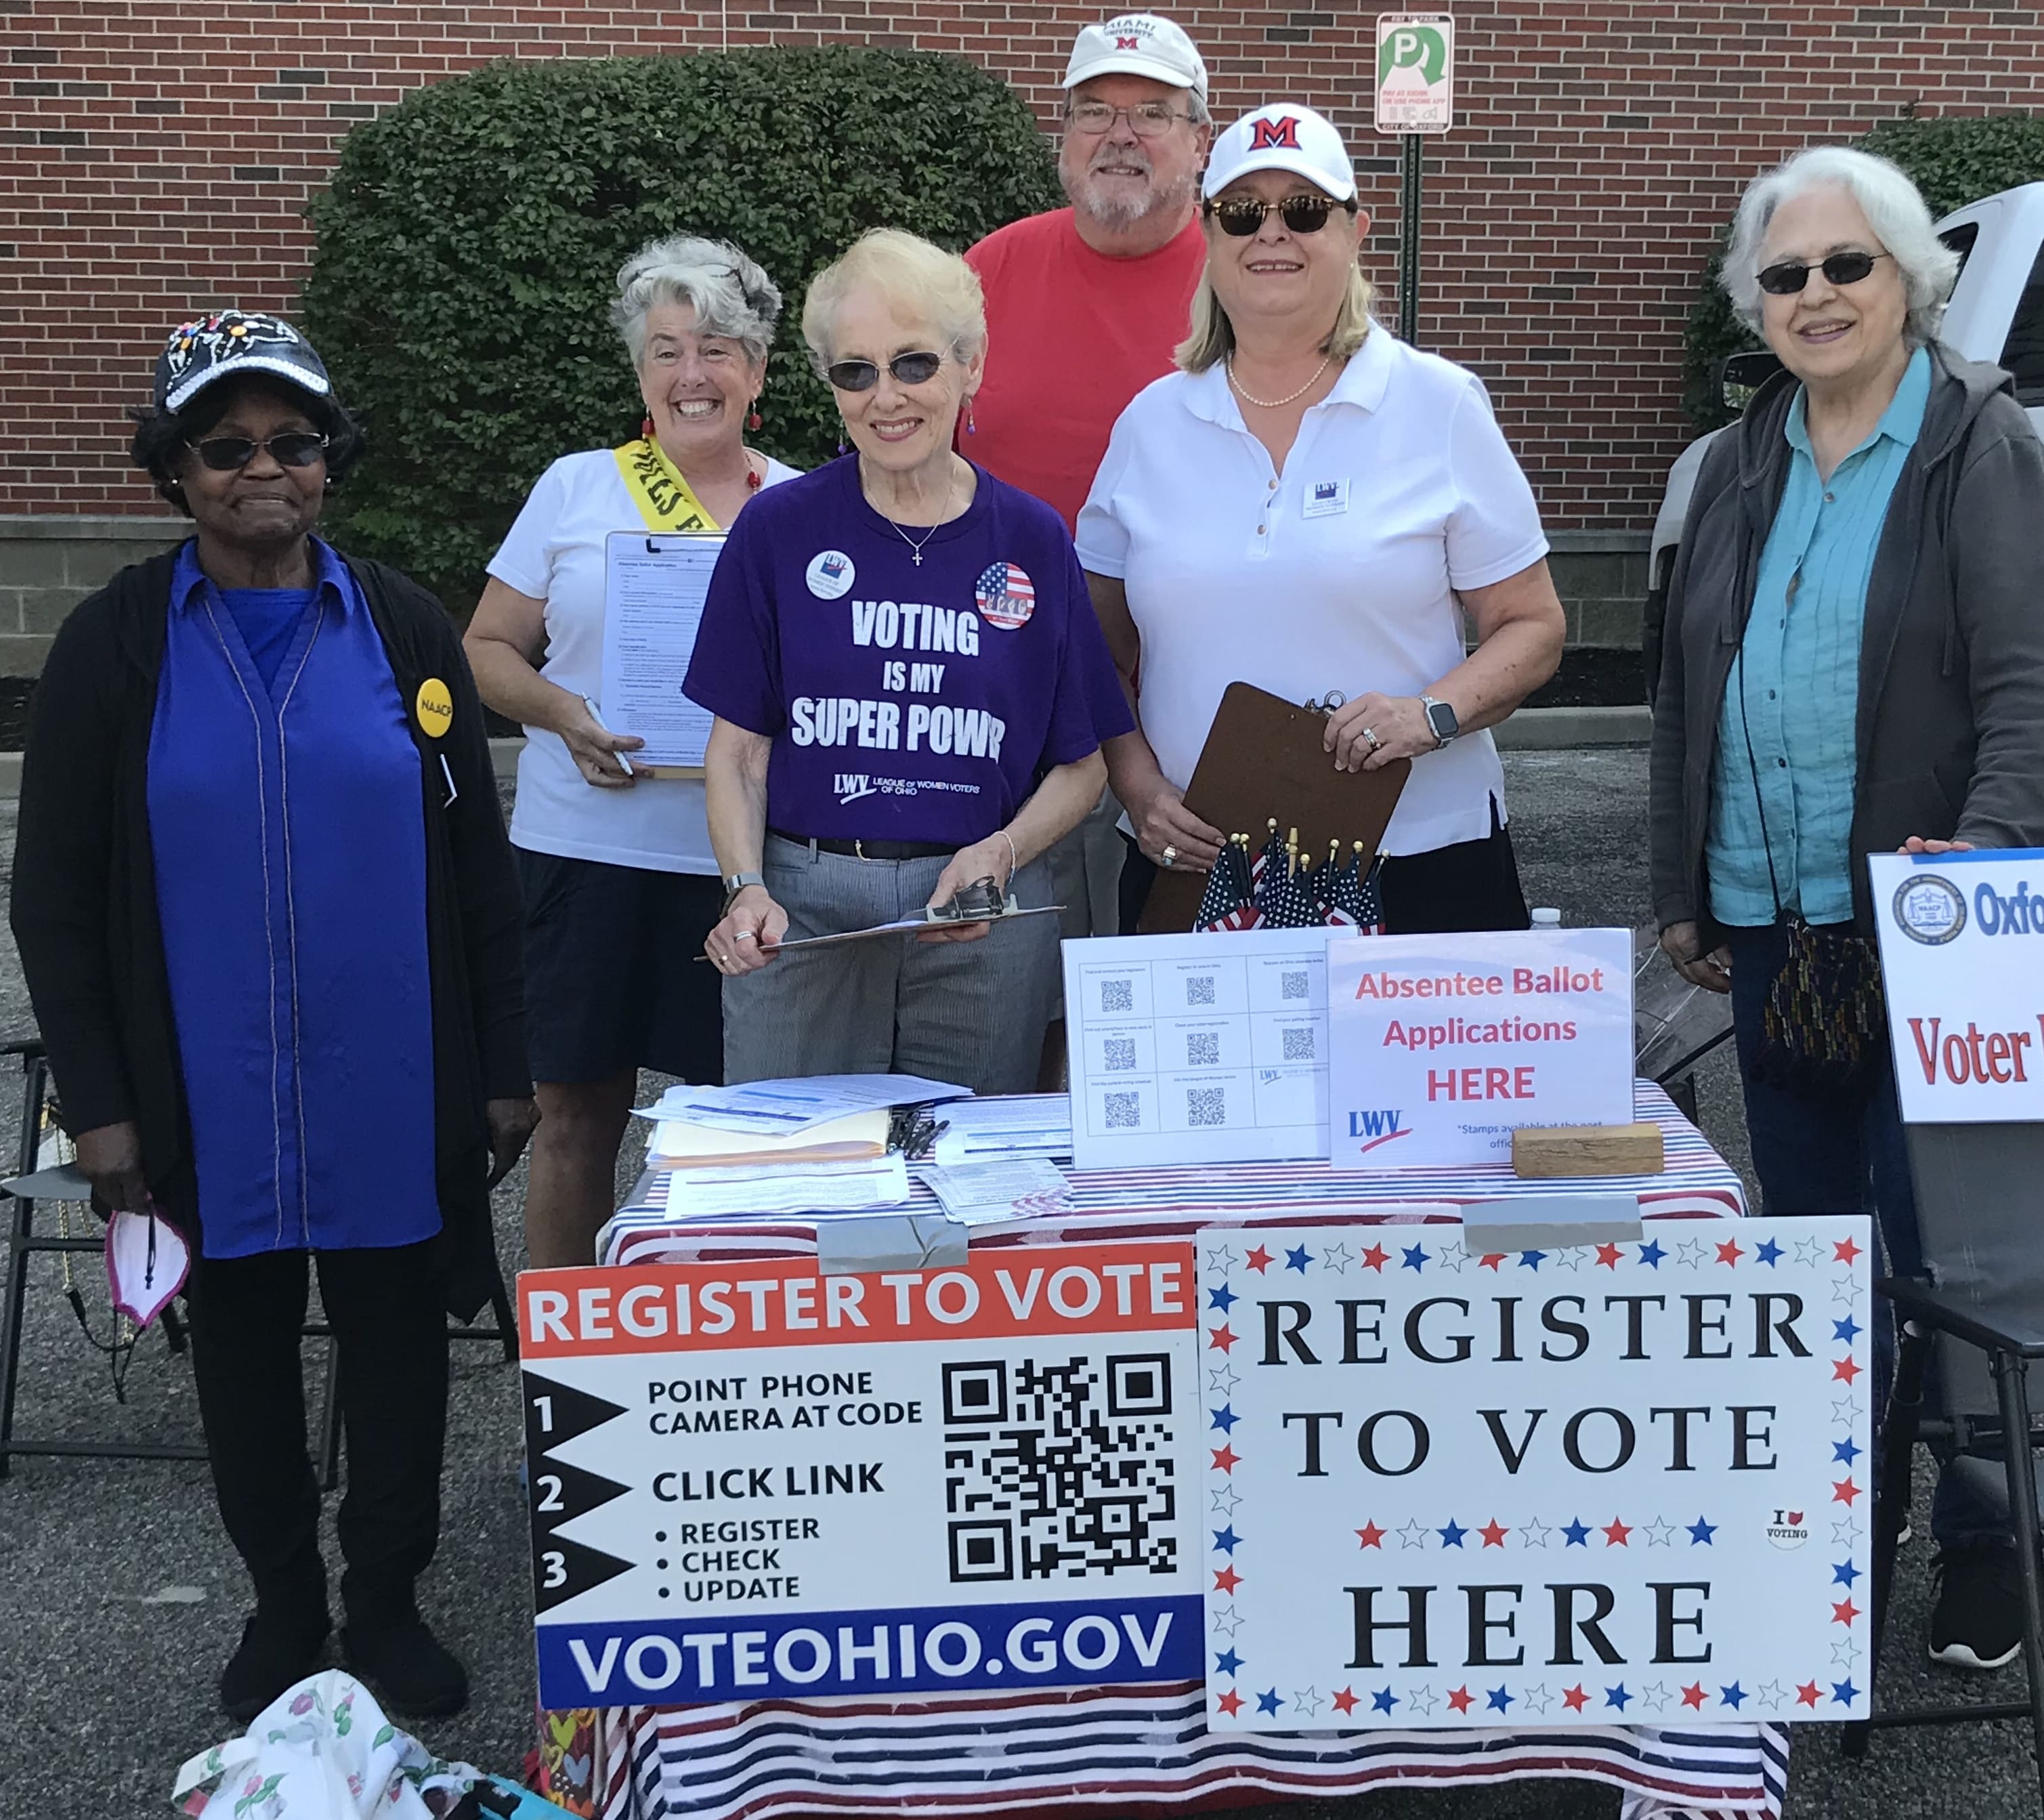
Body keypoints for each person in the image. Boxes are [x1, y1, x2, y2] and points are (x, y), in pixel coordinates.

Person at [10, 312, 535, 1720]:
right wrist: (103, 1103)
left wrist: (503, 1066)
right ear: (173, 469)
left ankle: (387, 1602)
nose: (264, 468)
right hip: (204, 1092)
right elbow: (53, 896)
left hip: (391, 1077)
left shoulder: (407, 626)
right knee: (239, 1355)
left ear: (327, 460)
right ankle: (286, 1607)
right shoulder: (112, 648)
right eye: (224, 445)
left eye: (293, 441)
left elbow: (478, 867)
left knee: (401, 1351)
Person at [1649, 146, 2044, 1673]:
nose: (1815, 295)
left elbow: (2025, 692)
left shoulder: (1981, 449)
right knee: (1814, 1252)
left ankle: (1989, 1530)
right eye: (1786, 273)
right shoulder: (1736, 455)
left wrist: (1985, 859)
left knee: (1956, 1243)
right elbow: (1691, 681)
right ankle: (1825, 1539)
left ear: (1910, 279)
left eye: (1845, 266)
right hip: (1771, 920)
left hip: (1938, 927)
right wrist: (1687, 880)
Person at [1078, 103, 1566, 935]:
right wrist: (1136, 785)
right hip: (1200, 859)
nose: (1273, 233)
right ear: (1209, 233)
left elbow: (1533, 625)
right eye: (1243, 212)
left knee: (1415, 1074)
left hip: (1418, 856)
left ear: (1354, 231)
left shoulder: (1437, 405)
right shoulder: (1149, 424)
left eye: (1304, 209)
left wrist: (1430, 713)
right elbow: (1096, 653)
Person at [686, 228, 1132, 1090]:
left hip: (981, 908)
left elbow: (1083, 766)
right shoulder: (778, 529)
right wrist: (745, 887)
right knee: (796, 1180)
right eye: (855, 371)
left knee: (961, 1195)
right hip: (805, 910)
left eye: (914, 364)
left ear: (970, 366)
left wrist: (1002, 850)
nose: (886, 396)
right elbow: (738, 751)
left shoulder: (1034, 539)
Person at [465, 238, 801, 1270]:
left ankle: (705, 1363)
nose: (690, 375)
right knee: (573, 1119)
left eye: (715, 348)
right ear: (638, 370)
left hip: (733, 866)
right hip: (585, 850)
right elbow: (483, 649)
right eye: (665, 350)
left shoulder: (802, 506)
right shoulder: (575, 488)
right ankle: (560, 1384)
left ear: (756, 368)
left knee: (737, 1130)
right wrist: (565, 713)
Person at [966, 11, 1215, 979]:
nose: (1120, 134)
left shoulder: (1252, 279)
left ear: (1200, 139)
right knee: (1024, 979)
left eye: (1151, 111)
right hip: (1012, 694)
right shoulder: (985, 274)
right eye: (1093, 112)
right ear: (1061, 139)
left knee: (1176, 987)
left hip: (1196, 692)